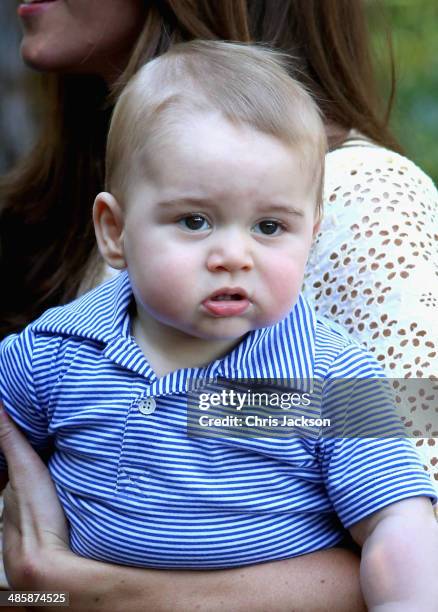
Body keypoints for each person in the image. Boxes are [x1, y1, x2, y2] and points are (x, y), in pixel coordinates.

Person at [0, 0, 436, 608]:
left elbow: (400, 522)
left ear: (313, 233)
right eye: (196, 220)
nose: (234, 255)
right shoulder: (61, 350)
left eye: (269, 228)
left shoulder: (329, 375)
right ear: (114, 232)